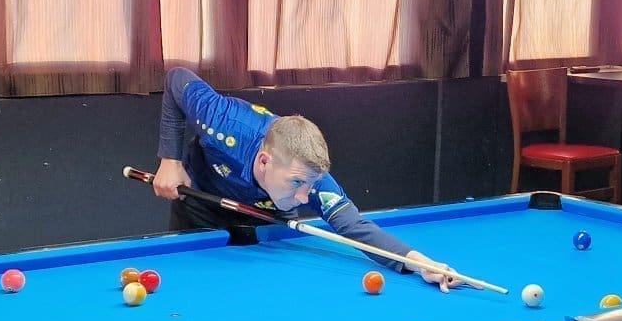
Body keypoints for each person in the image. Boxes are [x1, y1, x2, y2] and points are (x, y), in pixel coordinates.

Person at [152, 67, 460, 292]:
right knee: (190, 288)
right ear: (265, 161)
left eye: (311, 184)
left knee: (263, 292)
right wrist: (170, 160)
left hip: (267, 218)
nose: (305, 197)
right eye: (297, 183)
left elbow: (356, 228)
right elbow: (177, 78)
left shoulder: (311, 181)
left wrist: (421, 263)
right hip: (201, 202)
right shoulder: (224, 122)